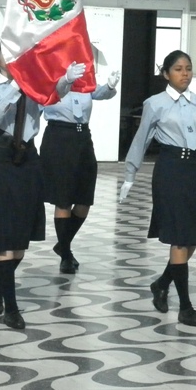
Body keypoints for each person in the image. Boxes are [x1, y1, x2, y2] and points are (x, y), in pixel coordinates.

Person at [0, 39, 85, 330]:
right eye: (7, 55)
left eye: (17, 54)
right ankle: (11, 306)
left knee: (20, 240)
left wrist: (66, 81)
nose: (14, 59)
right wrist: (16, 86)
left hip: (28, 157)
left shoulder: (32, 80)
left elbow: (51, 95)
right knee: (3, 236)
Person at [119, 50, 196, 327]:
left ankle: (162, 283)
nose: (184, 73)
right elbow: (141, 139)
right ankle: (185, 306)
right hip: (170, 170)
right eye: (178, 69)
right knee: (178, 238)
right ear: (165, 73)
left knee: (191, 238)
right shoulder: (155, 103)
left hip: (194, 171)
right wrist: (130, 174)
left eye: (188, 68)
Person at [41, 69, 120, 274]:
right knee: (63, 199)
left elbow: (98, 92)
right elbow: (48, 96)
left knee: (85, 199)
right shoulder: (50, 76)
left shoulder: (84, 78)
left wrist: (110, 87)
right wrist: (65, 79)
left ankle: (63, 244)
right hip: (59, 137)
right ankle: (66, 254)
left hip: (83, 138)